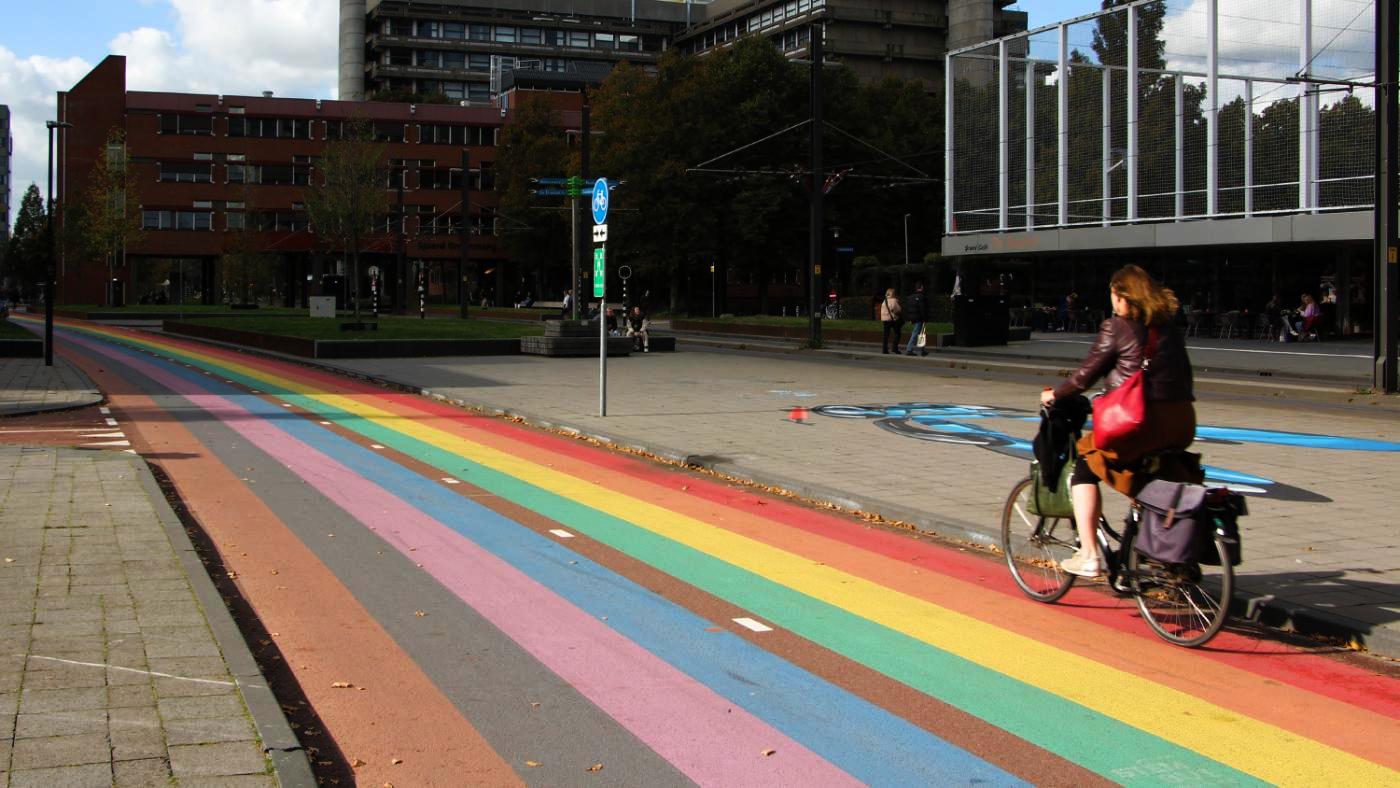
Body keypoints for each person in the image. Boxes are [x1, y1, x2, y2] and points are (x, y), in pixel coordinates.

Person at [1039, 265, 1197, 578]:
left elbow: (1086, 374)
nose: (1113, 302)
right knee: (1146, 474)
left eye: (1114, 294)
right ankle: (1145, 549)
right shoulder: (1169, 328)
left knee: (1085, 466)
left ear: (1123, 296)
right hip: (1181, 422)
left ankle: (1089, 555)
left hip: (1139, 422)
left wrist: (1054, 395)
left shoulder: (1116, 326)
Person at [902, 282, 930, 357]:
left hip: (914, 317)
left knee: (921, 333)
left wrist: (909, 318)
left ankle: (922, 349)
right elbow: (922, 309)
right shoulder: (921, 297)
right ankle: (909, 349)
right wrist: (925, 319)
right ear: (921, 288)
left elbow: (908, 308)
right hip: (920, 318)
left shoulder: (911, 297)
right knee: (916, 333)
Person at [878, 288, 903, 354]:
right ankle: (895, 348)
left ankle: (884, 349)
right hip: (892, 319)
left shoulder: (884, 301)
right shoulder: (894, 300)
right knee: (898, 333)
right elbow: (899, 310)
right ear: (893, 294)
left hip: (884, 320)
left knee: (885, 335)